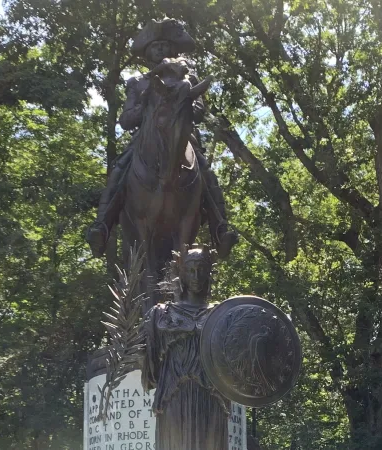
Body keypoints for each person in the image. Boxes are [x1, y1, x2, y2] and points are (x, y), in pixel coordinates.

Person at [85, 19, 238, 260]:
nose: (160, 50)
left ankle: (221, 229)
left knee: (205, 170)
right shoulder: (137, 83)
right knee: (121, 168)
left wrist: (185, 97)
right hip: (146, 139)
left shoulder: (188, 76)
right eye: (155, 46)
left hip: (182, 137)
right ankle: (101, 227)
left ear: (172, 50)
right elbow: (126, 121)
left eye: (165, 45)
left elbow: (198, 111)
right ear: (147, 53)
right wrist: (146, 99)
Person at [143, 247, 230, 450]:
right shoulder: (162, 315)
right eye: (190, 270)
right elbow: (151, 369)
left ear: (210, 272)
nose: (196, 275)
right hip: (174, 395)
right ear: (181, 273)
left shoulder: (222, 314)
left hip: (212, 398)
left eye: (201, 269)